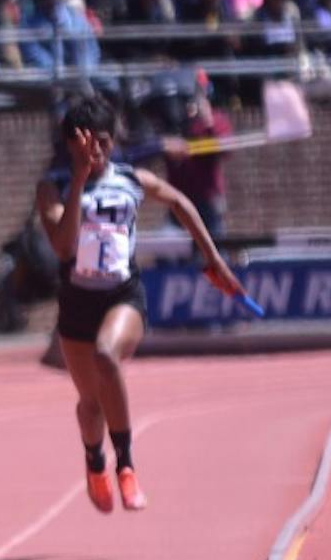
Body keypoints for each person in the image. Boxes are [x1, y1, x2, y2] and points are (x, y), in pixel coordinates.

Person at [35, 97, 241, 513]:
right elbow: (63, 247)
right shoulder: (53, 186)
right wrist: (79, 181)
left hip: (121, 294)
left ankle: (126, 466)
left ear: (113, 142)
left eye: (104, 143)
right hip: (77, 301)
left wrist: (213, 260)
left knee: (106, 356)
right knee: (90, 403)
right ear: (71, 145)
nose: (96, 152)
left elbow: (181, 203)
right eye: (87, 145)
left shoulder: (132, 179)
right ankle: (95, 463)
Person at [163, 81, 232, 237]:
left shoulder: (216, 119)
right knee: (169, 242)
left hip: (207, 198)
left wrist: (207, 122)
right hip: (179, 198)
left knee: (214, 240)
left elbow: (226, 149)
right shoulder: (174, 123)